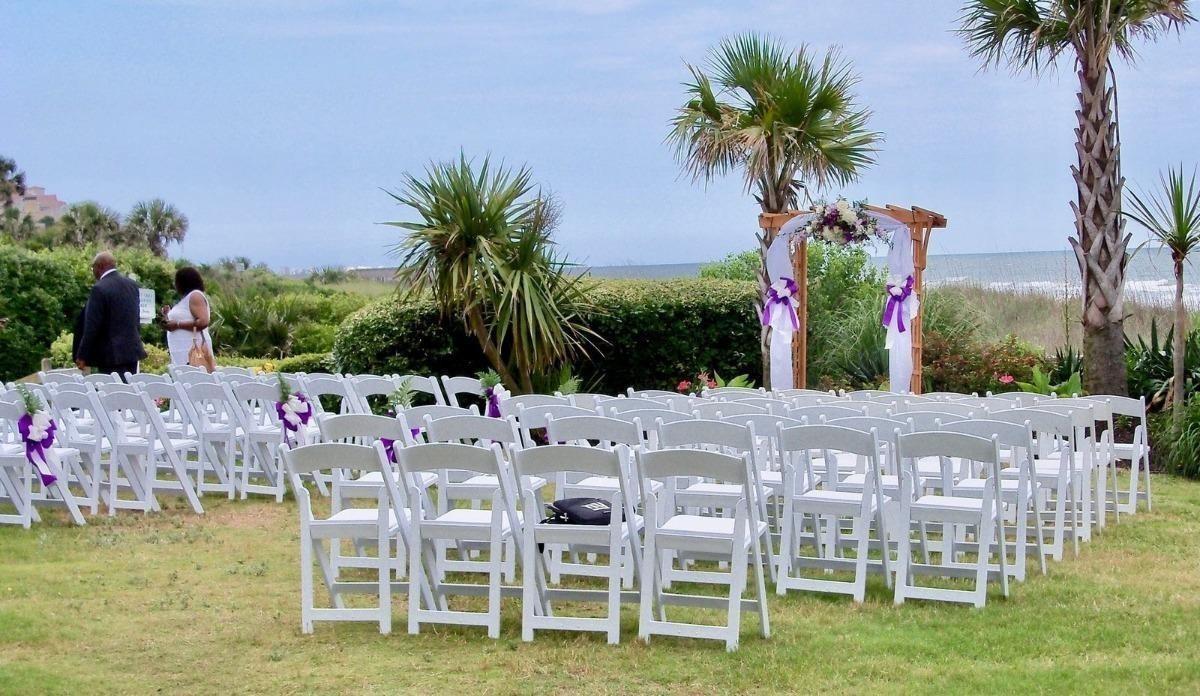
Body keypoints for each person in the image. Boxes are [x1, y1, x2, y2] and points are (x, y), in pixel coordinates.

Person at [76, 251, 147, 376]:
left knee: (113, 392)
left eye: (93, 267)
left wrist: (82, 355)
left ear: (100, 266)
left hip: (110, 354)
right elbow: (135, 318)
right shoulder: (132, 285)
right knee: (129, 391)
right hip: (131, 350)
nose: (93, 271)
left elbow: (92, 326)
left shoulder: (99, 288)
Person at [163, 266, 213, 366]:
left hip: (193, 350)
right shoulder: (185, 299)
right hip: (181, 351)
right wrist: (166, 316)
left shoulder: (195, 295)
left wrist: (177, 324)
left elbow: (203, 321)